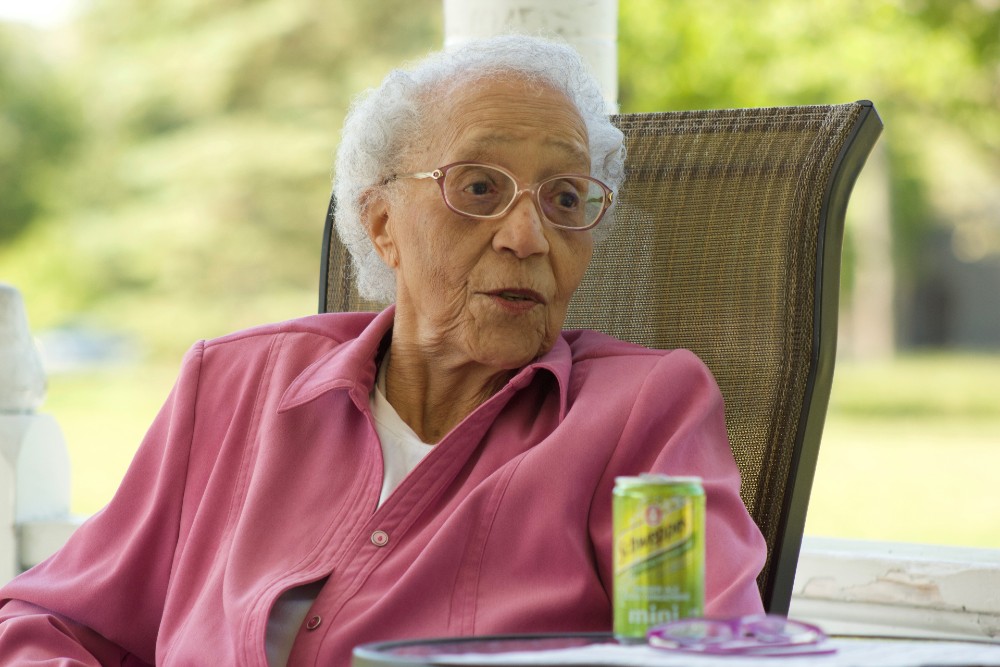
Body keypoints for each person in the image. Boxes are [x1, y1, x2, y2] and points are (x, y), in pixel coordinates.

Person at [0, 34, 766, 666]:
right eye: (478, 187)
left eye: (566, 198)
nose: (528, 237)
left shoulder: (645, 414)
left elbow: (706, 652)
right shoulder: (233, 384)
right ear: (382, 224)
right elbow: (48, 618)